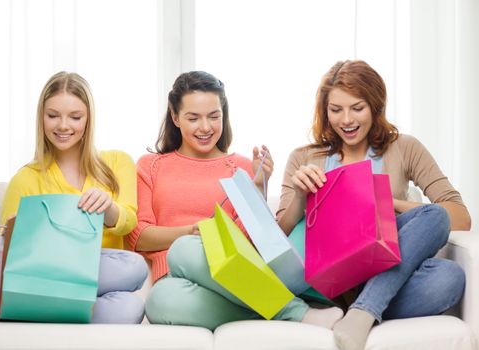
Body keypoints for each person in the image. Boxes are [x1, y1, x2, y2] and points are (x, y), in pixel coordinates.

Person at [126, 70, 344, 331]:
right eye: (193, 118)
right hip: (174, 276)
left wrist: (259, 186)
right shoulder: (150, 166)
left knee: (185, 247)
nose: (205, 127)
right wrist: (192, 231)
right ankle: (286, 311)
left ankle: (290, 310)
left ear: (223, 115)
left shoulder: (242, 167)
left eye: (214, 116)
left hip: (234, 278)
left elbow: (252, 241)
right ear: (175, 117)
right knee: (160, 300)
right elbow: (139, 236)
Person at [277, 60, 471, 350]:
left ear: (376, 106)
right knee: (439, 241)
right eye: (335, 109)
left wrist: (383, 202)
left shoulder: (404, 148)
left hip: (385, 264)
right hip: (332, 281)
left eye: (357, 108)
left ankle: (362, 311)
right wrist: (299, 196)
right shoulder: (304, 158)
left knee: (447, 264)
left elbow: (460, 217)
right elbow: (276, 236)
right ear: (324, 110)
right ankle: (366, 308)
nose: (346, 120)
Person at [1, 71, 148, 324]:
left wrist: (108, 208)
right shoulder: (25, 178)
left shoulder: (117, 162)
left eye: (75, 117)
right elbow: (6, 251)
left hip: (103, 282)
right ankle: (64, 306)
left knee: (132, 285)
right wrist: (19, 228)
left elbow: (129, 221)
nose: (63, 126)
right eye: (53, 115)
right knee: (131, 271)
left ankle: (67, 315)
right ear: (41, 118)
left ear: (88, 119)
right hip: (49, 276)